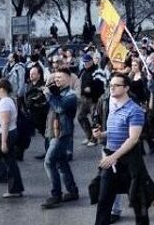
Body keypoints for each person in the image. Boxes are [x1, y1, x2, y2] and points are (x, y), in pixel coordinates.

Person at [92, 73, 154, 225]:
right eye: (110, 85)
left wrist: (113, 157)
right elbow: (116, 131)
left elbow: (133, 138)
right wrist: (101, 134)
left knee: (138, 201)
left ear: (126, 88)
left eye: (116, 85)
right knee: (103, 200)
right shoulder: (112, 106)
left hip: (129, 161)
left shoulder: (134, 110)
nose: (112, 88)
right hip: (111, 159)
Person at [41, 68, 80, 209]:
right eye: (56, 77)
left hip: (62, 134)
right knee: (61, 162)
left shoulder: (71, 95)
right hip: (53, 132)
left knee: (49, 162)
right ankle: (72, 191)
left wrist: (49, 95)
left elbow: (59, 108)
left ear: (69, 79)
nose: (57, 80)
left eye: (61, 77)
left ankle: (55, 194)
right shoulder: (57, 92)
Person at [79, 54, 104, 147]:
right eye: (84, 62)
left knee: (95, 120)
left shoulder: (98, 71)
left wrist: (91, 89)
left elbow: (101, 86)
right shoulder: (84, 71)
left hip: (94, 99)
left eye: (87, 62)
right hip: (84, 99)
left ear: (91, 61)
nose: (85, 64)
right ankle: (89, 136)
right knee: (80, 117)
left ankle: (94, 139)